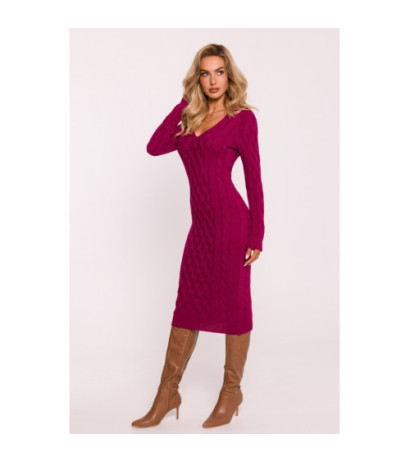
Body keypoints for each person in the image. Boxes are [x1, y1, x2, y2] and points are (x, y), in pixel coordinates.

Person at [131, 43, 265, 429]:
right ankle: (167, 393)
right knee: (186, 306)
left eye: (219, 72)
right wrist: (184, 102)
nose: (213, 80)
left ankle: (231, 391)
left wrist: (256, 234)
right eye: (205, 73)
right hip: (201, 229)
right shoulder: (189, 118)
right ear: (198, 78)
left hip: (233, 225)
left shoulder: (242, 119)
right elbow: (154, 147)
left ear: (229, 75)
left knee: (235, 306)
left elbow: (254, 180)